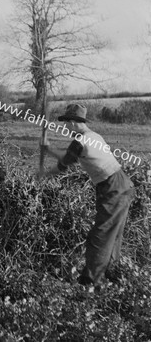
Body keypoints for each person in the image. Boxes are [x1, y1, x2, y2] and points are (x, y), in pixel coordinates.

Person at [41, 103, 135, 287]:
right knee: (113, 235)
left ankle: (91, 282)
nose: (65, 127)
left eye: (66, 123)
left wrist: (47, 153)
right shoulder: (94, 136)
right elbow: (65, 163)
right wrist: (46, 162)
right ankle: (113, 274)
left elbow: (64, 162)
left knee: (99, 237)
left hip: (113, 187)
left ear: (74, 122)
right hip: (121, 185)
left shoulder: (81, 141)